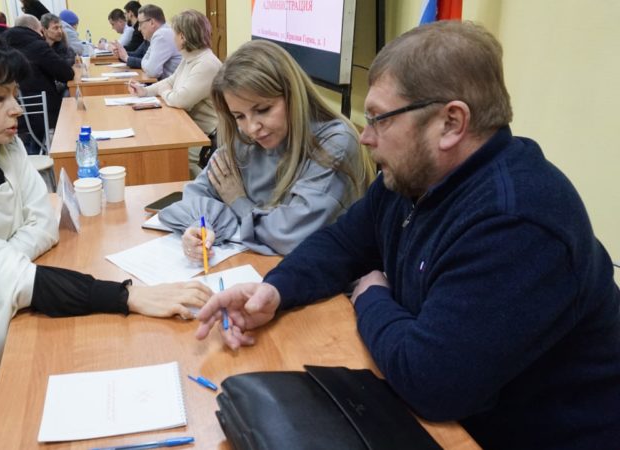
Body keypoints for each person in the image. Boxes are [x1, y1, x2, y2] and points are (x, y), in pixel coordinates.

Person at [195, 21, 620, 450]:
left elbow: (432, 382)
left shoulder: (516, 223)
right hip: (459, 416)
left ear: (451, 123)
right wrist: (275, 291)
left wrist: (370, 296)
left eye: (379, 118)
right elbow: (342, 244)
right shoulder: (415, 175)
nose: (364, 135)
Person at [0, 24, 212, 450]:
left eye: (13, 94)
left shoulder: (2, 149)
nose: (17, 109)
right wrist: (129, 296)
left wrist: (2, 260)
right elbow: (22, 275)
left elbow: (44, 222)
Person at [159, 39, 375, 257]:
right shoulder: (245, 137)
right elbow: (197, 194)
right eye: (239, 116)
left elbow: (292, 236)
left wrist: (237, 202)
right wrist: (202, 226)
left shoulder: (334, 143)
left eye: (263, 109)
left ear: (292, 95)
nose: (252, 128)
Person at [128, 9, 220, 177]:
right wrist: (145, 91)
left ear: (183, 37)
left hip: (203, 133)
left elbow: (180, 100)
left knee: (172, 160)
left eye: (174, 33)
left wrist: (164, 92)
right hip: (187, 123)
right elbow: (170, 82)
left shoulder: (206, 63)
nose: (172, 37)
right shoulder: (190, 57)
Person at [4, 14, 73, 154]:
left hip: (12, 112)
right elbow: (66, 73)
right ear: (38, 29)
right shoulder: (37, 46)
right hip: (42, 113)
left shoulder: (2, 46)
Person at [114, 4, 180, 78]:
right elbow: (145, 59)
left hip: (173, 87)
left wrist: (145, 63)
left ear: (152, 22)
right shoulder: (159, 34)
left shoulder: (162, 35)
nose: (139, 29)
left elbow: (152, 71)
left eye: (140, 23)